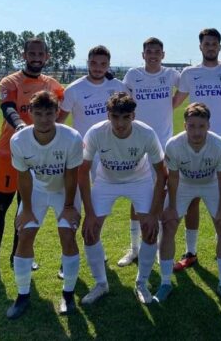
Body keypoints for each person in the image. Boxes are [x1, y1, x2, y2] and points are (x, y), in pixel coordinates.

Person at [0, 37, 64, 281]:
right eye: (32, 53)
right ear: (24, 55)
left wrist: (105, 79)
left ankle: (17, 255)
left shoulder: (52, 84)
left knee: (26, 206)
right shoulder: (10, 81)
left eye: (41, 54)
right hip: (8, 154)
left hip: (37, 158)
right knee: (1, 205)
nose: (36, 58)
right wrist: (21, 126)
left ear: (47, 57)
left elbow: (73, 99)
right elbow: (8, 108)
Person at [79, 92, 167, 305]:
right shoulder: (96, 132)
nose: (120, 123)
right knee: (89, 232)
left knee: (150, 231)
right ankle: (101, 284)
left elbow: (162, 173)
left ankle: (141, 283)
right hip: (106, 181)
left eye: (125, 117)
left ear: (133, 116)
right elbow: (82, 172)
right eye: (115, 117)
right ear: (108, 115)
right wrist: (89, 213)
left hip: (139, 180)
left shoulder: (146, 133)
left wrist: (153, 214)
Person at [6, 91, 83, 319]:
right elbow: (23, 177)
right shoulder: (19, 140)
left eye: (49, 113)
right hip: (37, 191)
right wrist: (27, 209)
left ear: (57, 112)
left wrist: (68, 207)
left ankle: (68, 295)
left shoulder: (72, 137)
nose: (44, 119)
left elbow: (71, 175)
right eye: (38, 113)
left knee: (67, 236)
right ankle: (22, 295)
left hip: (64, 191)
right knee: (24, 235)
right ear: (29, 113)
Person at [171, 28, 221, 271]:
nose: (210, 47)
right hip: (193, 142)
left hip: (219, 145)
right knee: (192, 200)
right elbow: (176, 101)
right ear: (200, 47)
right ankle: (190, 252)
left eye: (214, 44)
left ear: (219, 47)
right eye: (206, 43)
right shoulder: (190, 73)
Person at [154, 103, 221, 305]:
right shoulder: (174, 144)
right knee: (168, 225)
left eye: (201, 126)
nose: (196, 132)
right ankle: (165, 283)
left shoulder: (220, 145)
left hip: (211, 184)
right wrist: (171, 207)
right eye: (191, 126)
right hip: (184, 184)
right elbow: (173, 178)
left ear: (209, 126)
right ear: (185, 126)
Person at [57, 45, 125, 274]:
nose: (98, 68)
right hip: (82, 156)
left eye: (103, 64)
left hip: (108, 156)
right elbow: (59, 122)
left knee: (99, 205)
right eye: (94, 63)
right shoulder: (74, 89)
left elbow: (127, 117)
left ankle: (95, 244)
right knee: (74, 206)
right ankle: (67, 256)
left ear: (109, 66)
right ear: (88, 63)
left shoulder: (117, 87)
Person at [120, 37, 180, 267]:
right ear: (143, 54)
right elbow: (124, 101)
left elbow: (189, 83)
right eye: (149, 51)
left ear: (163, 55)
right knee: (137, 195)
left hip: (163, 143)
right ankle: (134, 247)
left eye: (157, 52)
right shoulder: (133, 75)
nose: (153, 55)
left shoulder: (171, 74)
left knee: (162, 194)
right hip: (137, 142)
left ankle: (159, 247)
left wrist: (170, 105)